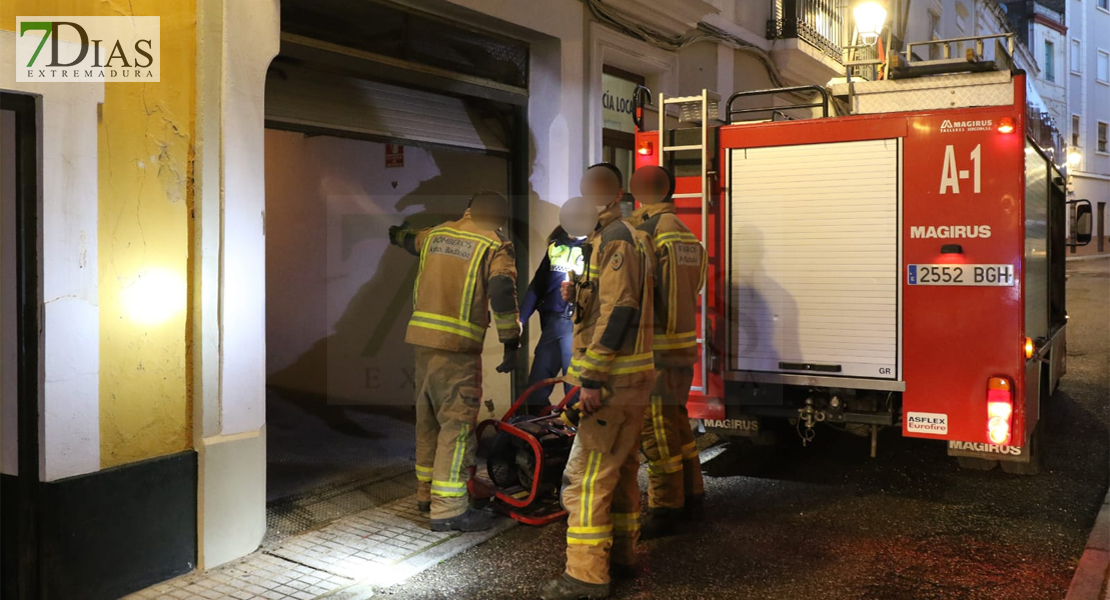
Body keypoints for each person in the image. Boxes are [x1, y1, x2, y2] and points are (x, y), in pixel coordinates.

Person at [539, 165, 655, 600]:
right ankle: (622, 556)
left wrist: (591, 377)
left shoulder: (616, 239)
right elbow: (621, 301)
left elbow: (621, 310)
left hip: (611, 382)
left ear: (617, 193)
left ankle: (585, 577)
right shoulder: (622, 238)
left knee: (585, 479)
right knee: (622, 470)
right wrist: (578, 296)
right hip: (632, 379)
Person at [388, 191, 520, 532]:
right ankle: (449, 510)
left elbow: (408, 241)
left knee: (428, 420)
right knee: (457, 427)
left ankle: (425, 493)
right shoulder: (494, 245)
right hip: (458, 348)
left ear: (467, 210)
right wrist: (511, 341)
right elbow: (503, 292)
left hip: (422, 342)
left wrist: (396, 232)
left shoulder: (437, 234)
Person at [625, 165, 708, 539]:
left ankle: (666, 506)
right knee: (676, 423)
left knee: (656, 432)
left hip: (655, 349)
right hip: (682, 348)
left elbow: (634, 292)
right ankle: (693, 495)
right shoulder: (689, 236)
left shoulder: (646, 233)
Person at [518, 226, 586, 415]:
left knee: (574, 392)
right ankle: (542, 432)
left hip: (578, 322)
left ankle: (575, 436)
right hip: (554, 321)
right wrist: (521, 319)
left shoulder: (596, 246)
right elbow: (538, 285)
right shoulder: (556, 246)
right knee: (536, 389)